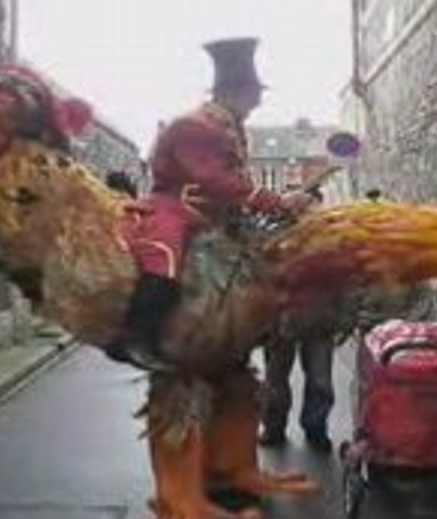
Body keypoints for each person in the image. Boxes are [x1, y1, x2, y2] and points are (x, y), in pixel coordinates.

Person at [106, 38, 315, 368]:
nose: (259, 100)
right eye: (255, 93)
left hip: (214, 217)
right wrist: (276, 201)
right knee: (165, 257)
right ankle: (135, 338)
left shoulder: (229, 125)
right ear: (237, 92)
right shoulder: (195, 125)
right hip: (174, 205)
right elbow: (215, 181)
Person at [258, 187, 338, 453]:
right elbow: (258, 273)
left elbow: (346, 276)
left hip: (320, 318)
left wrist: (346, 317)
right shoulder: (271, 231)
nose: (304, 209)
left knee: (320, 380)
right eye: (298, 204)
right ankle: (273, 427)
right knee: (275, 380)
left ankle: (316, 428)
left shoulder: (329, 235)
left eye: (307, 204)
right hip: (279, 319)